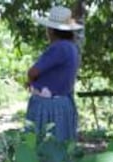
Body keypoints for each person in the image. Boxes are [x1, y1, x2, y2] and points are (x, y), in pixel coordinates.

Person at [26, 6, 83, 142]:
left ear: (51, 30)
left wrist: (30, 80)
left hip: (48, 106)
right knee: (60, 144)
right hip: (63, 102)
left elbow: (33, 72)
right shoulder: (72, 47)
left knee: (42, 145)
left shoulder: (59, 47)